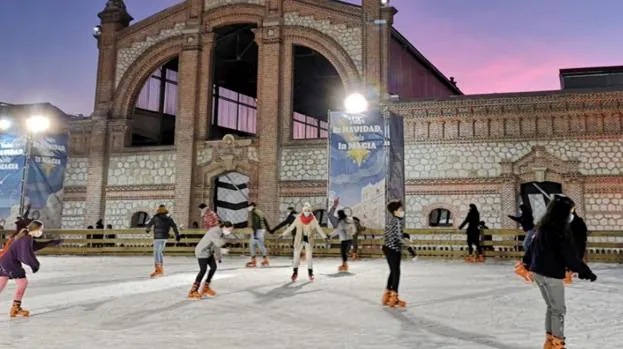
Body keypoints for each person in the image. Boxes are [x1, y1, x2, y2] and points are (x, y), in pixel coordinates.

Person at [515, 195, 597, 349]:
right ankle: (558, 344)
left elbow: (531, 248)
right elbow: (569, 255)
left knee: (551, 307)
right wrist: (585, 271)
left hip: (538, 272)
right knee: (559, 309)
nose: (571, 214)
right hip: (551, 275)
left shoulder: (543, 227)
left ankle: (550, 340)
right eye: (570, 210)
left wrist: (526, 263)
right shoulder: (559, 231)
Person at [0, 220, 60, 317]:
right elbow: (25, 254)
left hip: (3, 260)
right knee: (23, 283)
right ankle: (16, 308)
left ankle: (15, 308)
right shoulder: (26, 238)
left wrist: (50, 243)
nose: (41, 231)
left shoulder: (25, 236)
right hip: (10, 263)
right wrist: (34, 265)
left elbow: (32, 247)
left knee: (2, 283)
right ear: (36, 229)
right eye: (41, 229)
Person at [188, 221, 235, 300]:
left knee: (213, 267)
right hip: (202, 251)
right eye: (229, 230)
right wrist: (227, 242)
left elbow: (216, 247)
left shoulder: (221, 234)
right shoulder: (215, 231)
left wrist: (219, 257)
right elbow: (218, 243)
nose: (229, 232)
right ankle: (193, 291)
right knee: (203, 270)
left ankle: (205, 288)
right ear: (224, 227)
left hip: (208, 252)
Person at [281, 203, 327, 281]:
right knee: (296, 257)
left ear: (310, 210)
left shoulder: (313, 219)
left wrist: (324, 237)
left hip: (308, 238)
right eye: (305, 210)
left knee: (309, 257)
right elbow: (291, 227)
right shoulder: (298, 217)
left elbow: (318, 228)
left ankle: (310, 273)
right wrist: (283, 234)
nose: (307, 212)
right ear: (303, 210)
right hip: (299, 238)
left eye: (308, 210)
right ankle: (295, 272)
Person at [382, 200, 407, 309]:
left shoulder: (391, 221)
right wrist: (410, 247)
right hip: (393, 249)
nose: (403, 211)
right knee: (396, 272)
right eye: (401, 209)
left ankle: (387, 295)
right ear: (395, 211)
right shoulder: (396, 221)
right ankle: (394, 296)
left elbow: (395, 235)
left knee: (393, 271)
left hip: (388, 248)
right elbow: (398, 238)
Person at [145, 205, 180, 278]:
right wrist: (177, 235)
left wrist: (147, 229)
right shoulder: (169, 218)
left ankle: (158, 270)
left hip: (157, 238)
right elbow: (174, 226)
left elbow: (149, 225)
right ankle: (161, 269)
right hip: (164, 238)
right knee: (159, 252)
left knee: (156, 252)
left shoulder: (155, 217)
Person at [328, 198, 356, 272]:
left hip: (344, 240)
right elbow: (354, 229)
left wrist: (329, 235)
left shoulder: (341, 222)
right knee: (345, 251)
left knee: (343, 252)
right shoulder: (350, 220)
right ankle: (351, 254)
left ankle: (345, 265)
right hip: (350, 239)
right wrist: (351, 234)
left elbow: (337, 231)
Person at [245, 203, 271, 268]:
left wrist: (255, 234)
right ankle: (265, 260)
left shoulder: (254, 212)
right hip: (262, 230)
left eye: (249, 207)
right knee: (260, 245)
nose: (248, 208)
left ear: (252, 206)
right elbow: (265, 221)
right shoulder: (260, 212)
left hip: (258, 230)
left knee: (253, 245)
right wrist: (269, 229)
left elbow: (256, 223)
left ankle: (254, 261)